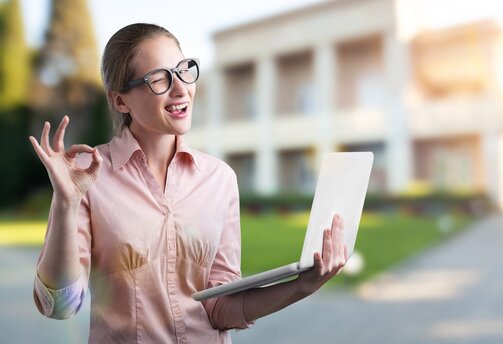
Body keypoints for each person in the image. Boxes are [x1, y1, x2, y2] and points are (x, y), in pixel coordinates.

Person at [29, 23, 348, 343]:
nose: (180, 88)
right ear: (121, 101)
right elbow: (60, 306)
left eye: (183, 70)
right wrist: (66, 203)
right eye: (159, 79)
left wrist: (302, 284)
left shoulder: (219, 179)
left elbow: (220, 307)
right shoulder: (86, 177)